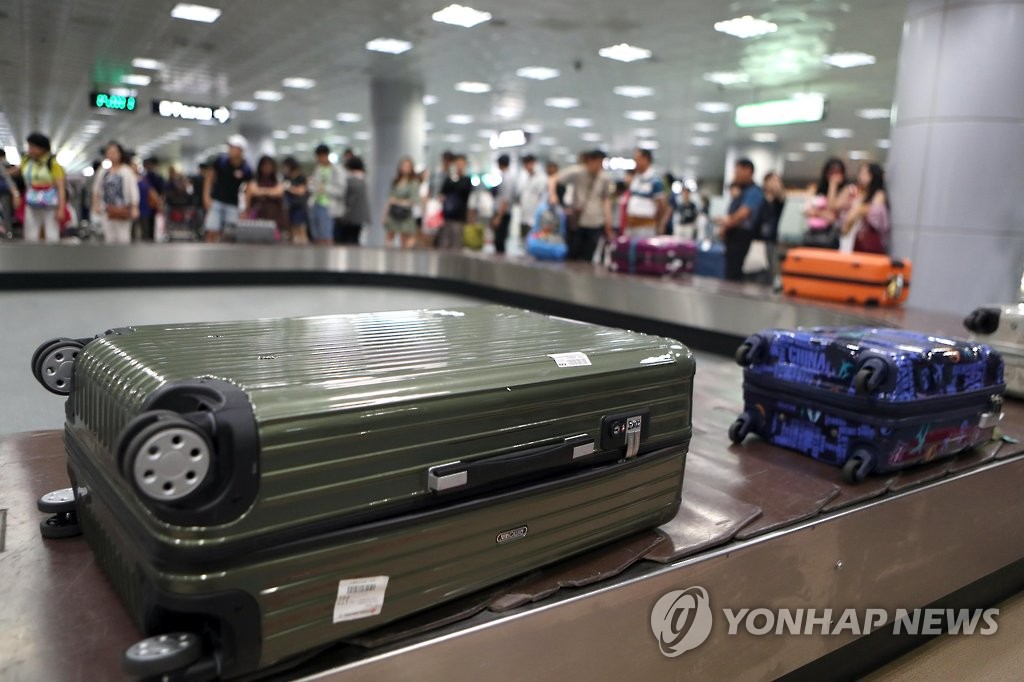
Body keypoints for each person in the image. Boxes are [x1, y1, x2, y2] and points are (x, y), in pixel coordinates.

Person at [549, 149, 614, 262]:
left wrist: (608, 223)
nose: (599, 166)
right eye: (597, 162)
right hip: (577, 221)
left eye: (601, 163)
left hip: (595, 222)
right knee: (572, 254)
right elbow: (553, 178)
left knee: (588, 255)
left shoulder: (604, 179)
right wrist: (553, 195)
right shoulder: (577, 172)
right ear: (590, 161)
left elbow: (606, 201)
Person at [715, 158, 765, 282]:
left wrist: (726, 226)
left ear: (748, 171)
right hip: (733, 237)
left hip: (741, 237)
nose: (735, 175)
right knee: (730, 271)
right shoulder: (743, 191)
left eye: (738, 171)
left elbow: (743, 214)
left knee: (734, 274)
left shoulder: (754, 192)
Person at [203, 135, 252, 242]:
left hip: (233, 204)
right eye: (230, 147)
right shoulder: (221, 161)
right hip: (216, 201)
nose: (230, 150)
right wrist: (206, 197)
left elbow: (248, 188)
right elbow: (209, 178)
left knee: (230, 234)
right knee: (212, 230)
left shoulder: (246, 168)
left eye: (233, 147)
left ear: (240, 150)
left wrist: (245, 209)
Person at [19, 132, 66, 242]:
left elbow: (61, 187)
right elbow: (16, 171)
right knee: (30, 234)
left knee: (51, 234)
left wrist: (61, 208)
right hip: (31, 201)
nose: (30, 149)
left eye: (32, 146)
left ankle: (52, 257)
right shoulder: (27, 160)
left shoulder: (53, 164)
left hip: (50, 203)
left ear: (42, 148)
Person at [92, 141, 140, 244]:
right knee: (109, 238)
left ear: (120, 154)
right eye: (109, 152)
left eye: (114, 152)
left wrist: (134, 206)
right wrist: (95, 204)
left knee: (123, 237)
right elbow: (97, 189)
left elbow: (133, 189)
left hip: (123, 208)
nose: (112, 155)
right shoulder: (103, 171)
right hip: (107, 209)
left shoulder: (126, 171)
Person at [839, 163, 890, 254]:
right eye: (860, 173)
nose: (861, 177)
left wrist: (857, 211)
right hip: (853, 239)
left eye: (865, 174)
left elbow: (874, 213)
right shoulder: (859, 195)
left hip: (866, 243)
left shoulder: (879, 194)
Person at [802, 157, 848, 249]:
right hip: (812, 234)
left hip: (831, 236)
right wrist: (821, 213)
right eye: (831, 172)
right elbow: (806, 210)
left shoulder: (846, 191)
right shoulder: (817, 189)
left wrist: (833, 185)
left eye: (837, 172)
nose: (834, 176)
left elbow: (832, 213)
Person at [625, 148, 670, 238]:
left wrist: (660, 225)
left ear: (646, 159)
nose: (635, 162)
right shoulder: (635, 178)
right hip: (631, 225)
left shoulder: (655, 181)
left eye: (637, 159)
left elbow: (662, 207)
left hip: (646, 227)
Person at [308, 144, 346, 246]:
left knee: (326, 236)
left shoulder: (337, 170)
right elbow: (313, 187)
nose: (319, 159)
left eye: (320, 156)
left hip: (328, 206)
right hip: (315, 204)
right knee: (316, 235)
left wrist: (325, 189)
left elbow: (341, 191)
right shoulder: (318, 169)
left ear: (326, 155)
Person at [438, 154, 474, 249]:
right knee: (445, 240)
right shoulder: (449, 179)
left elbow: (467, 195)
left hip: (459, 216)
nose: (459, 166)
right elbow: (442, 193)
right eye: (458, 164)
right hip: (447, 215)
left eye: (462, 164)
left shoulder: (467, 180)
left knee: (457, 242)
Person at [245, 155, 286, 236]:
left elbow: (279, 192)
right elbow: (251, 191)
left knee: (274, 237)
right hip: (257, 216)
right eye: (265, 165)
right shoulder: (254, 181)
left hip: (274, 216)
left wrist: (262, 192)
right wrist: (270, 192)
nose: (267, 168)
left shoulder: (277, 181)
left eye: (269, 166)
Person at [384, 156, 420, 249]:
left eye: (408, 166)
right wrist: (385, 215)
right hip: (393, 213)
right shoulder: (395, 181)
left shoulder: (413, 183)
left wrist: (397, 201)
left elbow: (413, 201)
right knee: (389, 236)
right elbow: (389, 199)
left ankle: (403, 261)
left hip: (405, 214)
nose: (405, 168)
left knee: (405, 239)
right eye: (403, 166)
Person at [335, 156, 370, 245]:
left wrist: (345, 212)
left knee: (349, 239)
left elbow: (349, 198)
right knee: (355, 237)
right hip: (361, 214)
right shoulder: (364, 178)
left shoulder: (350, 180)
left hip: (351, 214)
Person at [759, 172, 786, 284]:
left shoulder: (778, 201)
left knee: (773, 268)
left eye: (776, 180)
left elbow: (781, 195)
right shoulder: (760, 198)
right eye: (771, 180)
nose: (774, 183)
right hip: (758, 240)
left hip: (773, 239)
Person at [517, 154, 547, 242]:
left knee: (532, 241)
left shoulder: (541, 178)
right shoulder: (525, 178)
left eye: (527, 164)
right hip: (524, 216)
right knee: (523, 241)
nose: (525, 167)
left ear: (533, 163)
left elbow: (543, 199)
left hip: (534, 218)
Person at [281, 157, 309, 244]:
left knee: (301, 227)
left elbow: (301, 191)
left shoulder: (301, 177)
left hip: (299, 206)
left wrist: (290, 188)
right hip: (290, 206)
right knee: (292, 229)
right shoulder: (286, 178)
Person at [491, 154, 515, 254]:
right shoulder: (504, 177)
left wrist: (499, 217)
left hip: (502, 213)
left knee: (499, 241)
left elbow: (505, 200)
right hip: (501, 212)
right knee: (498, 241)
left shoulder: (508, 178)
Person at [138, 157, 166, 241]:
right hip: (149, 205)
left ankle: (148, 239)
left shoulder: (145, 177)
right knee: (149, 226)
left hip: (147, 205)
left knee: (147, 226)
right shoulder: (149, 177)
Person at [0, 149, 21, 237]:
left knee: (5, 213)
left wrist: (15, 194)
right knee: (6, 213)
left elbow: (8, 180)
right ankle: (8, 232)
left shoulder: (3, 166)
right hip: (6, 193)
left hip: (5, 192)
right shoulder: (8, 166)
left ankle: (7, 232)